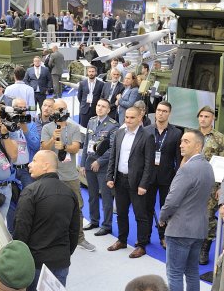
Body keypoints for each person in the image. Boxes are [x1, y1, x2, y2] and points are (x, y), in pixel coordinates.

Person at [13, 150, 82, 291]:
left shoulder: (31, 191)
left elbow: (21, 231)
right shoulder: (69, 193)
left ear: (46, 166)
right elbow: (74, 231)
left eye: (34, 160)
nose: (29, 164)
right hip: (59, 263)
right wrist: (64, 254)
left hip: (33, 264)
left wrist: (21, 261)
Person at [158, 130, 215, 291]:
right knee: (191, 272)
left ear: (198, 146)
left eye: (186, 141)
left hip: (180, 229)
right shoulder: (208, 167)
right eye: (181, 141)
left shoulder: (187, 169)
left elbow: (172, 200)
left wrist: (162, 217)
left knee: (174, 274)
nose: (181, 144)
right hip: (198, 229)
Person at [41, 99, 94, 251]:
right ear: (53, 111)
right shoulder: (47, 128)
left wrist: (64, 146)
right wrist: (53, 138)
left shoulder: (74, 128)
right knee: (52, 209)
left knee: (77, 208)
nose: (61, 111)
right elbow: (44, 148)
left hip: (71, 176)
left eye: (63, 108)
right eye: (58, 109)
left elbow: (76, 148)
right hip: (52, 175)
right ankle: (54, 239)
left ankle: (80, 238)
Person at [106, 106, 155, 258]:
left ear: (140, 118)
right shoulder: (119, 133)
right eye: (126, 117)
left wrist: (144, 184)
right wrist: (110, 176)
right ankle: (122, 240)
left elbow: (149, 164)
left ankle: (141, 245)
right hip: (120, 180)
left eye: (132, 117)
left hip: (137, 182)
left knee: (140, 215)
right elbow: (113, 157)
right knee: (121, 213)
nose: (128, 120)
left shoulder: (147, 136)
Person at [196, 105, 224, 266]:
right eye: (201, 116)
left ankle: (205, 248)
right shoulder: (193, 134)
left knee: (208, 216)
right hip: (193, 182)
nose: (203, 119)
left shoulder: (220, 138)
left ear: (213, 119)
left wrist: (221, 187)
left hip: (211, 184)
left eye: (207, 116)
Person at [145, 101, 184, 247]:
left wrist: (177, 178)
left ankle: (164, 237)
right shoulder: (146, 130)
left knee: (165, 208)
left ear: (169, 114)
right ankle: (145, 236)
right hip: (148, 176)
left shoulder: (176, 133)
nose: (161, 113)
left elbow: (178, 158)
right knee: (147, 208)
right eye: (159, 110)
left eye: (164, 111)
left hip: (167, 177)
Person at [82, 98, 117, 237]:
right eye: (98, 105)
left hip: (103, 166)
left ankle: (107, 225)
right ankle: (94, 220)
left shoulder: (113, 125)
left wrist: (99, 162)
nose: (100, 108)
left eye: (103, 106)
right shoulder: (91, 121)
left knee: (106, 197)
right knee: (92, 195)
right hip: (89, 163)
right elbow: (86, 143)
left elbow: (112, 148)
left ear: (108, 110)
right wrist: (82, 164)